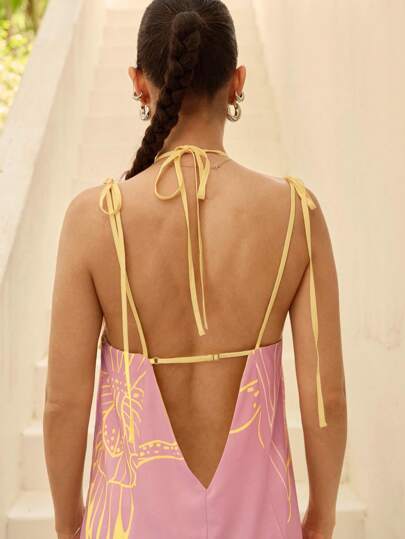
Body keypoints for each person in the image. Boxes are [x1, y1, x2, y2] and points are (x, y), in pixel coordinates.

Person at [43, 1, 347, 538]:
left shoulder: (94, 219)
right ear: (237, 82)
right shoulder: (296, 215)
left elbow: (64, 403)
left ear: (139, 83)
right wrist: (321, 517)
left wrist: (69, 526)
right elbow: (326, 397)